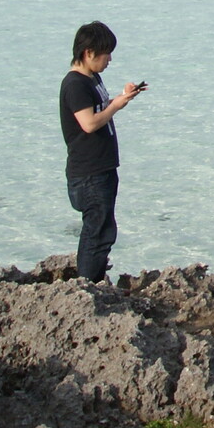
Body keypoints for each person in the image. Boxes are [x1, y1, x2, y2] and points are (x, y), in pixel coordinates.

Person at [59, 21, 146, 283]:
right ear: (89, 53)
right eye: (106, 54)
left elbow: (97, 108)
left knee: (103, 231)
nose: (109, 60)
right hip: (89, 173)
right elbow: (89, 123)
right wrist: (117, 106)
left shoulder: (92, 78)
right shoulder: (75, 84)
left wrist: (123, 96)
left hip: (102, 168)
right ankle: (87, 288)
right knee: (97, 233)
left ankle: (95, 283)